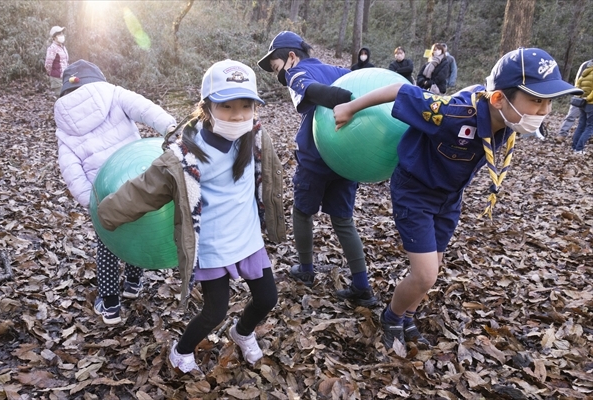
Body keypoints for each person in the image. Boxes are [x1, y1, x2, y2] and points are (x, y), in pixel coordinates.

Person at [333, 48, 582, 349]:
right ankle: (391, 316)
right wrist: (351, 108)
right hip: (416, 192)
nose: (543, 111)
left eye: (548, 102)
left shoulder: (506, 120)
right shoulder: (451, 113)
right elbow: (402, 90)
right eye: (536, 100)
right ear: (500, 99)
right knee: (424, 275)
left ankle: (408, 317)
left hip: (449, 198)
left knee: (432, 272)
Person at [96, 60, 286, 373]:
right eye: (226, 106)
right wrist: (106, 215)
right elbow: (144, 190)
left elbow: (268, 175)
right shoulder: (184, 156)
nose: (238, 115)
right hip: (211, 245)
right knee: (215, 311)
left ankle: (242, 333)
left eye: (246, 105)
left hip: (248, 236)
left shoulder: (254, 136)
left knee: (267, 298)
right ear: (207, 107)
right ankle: (181, 351)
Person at [257, 31, 376, 307]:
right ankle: (362, 286)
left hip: (315, 159)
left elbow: (313, 91)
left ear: (291, 57)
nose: (280, 76)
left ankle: (306, 269)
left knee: (302, 211)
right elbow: (365, 87)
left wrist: (345, 100)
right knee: (343, 221)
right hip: (347, 160)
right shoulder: (338, 70)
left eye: (277, 68)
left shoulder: (296, 74)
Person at [54, 59, 177, 325]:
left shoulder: (63, 122)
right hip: (138, 178)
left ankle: (110, 304)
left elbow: (70, 169)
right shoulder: (113, 93)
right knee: (140, 229)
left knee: (109, 243)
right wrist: (170, 129)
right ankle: (133, 283)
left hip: (104, 192)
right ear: (97, 78)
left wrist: (92, 202)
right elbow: (146, 109)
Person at [558, 58, 593, 138]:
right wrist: (577, 92)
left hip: (591, 99)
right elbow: (578, 79)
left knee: (589, 120)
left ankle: (588, 136)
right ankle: (562, 134)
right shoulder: (586, 64)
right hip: (580, 96)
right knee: (571, 115)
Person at [571, 59, 593, 153]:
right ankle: (579, 149)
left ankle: (574, 147)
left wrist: (580, 96)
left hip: (582, 103)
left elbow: (577, 84)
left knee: (581, 125)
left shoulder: (585, 72)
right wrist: (588, 98)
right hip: (591, 103)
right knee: (590, 127)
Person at [45, 26, 69, 97]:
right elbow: (48, 65)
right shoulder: (52, 48)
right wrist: (53, 74)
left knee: (65, 97)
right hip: (57, 78)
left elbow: (65, 61)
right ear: (54, 37)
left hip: (64, 76)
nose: (61, 36)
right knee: (60, 97)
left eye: (62, 34)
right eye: (59, 34)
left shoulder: (62, 47)